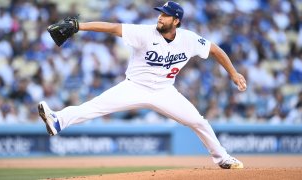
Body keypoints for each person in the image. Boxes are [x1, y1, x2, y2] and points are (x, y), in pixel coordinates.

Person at [38, 1, 247, 169]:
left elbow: (215, 50)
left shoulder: (189, 39)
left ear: (176, 21)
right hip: (135, 87)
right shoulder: (145, 33)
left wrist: (233, 73)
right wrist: (78, 26)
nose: (160, 16)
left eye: (165, 15)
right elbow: (113, 28)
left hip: (165, 91)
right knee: (95, 107)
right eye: (160, 13)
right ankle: (58, 121)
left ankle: (223, 158)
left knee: (198, 122)